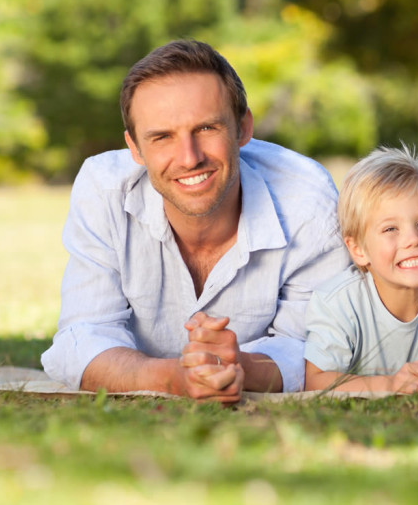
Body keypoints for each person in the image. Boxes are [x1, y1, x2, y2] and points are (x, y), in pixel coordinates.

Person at [41, 40, 350, 402]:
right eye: (162, 137)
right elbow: (82, 336)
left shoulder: (308, 199)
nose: (189, 159)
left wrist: (243, 368)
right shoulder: (103, 188)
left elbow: (320, 346)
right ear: (135, 149)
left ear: (243, 128)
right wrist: (173, 377)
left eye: (206, 129)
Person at [304, 145, 418, 397]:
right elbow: (317, 380)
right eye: (390, 229)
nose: (413, 239)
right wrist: (391, 385)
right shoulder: (337, 302)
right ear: (358, 249)